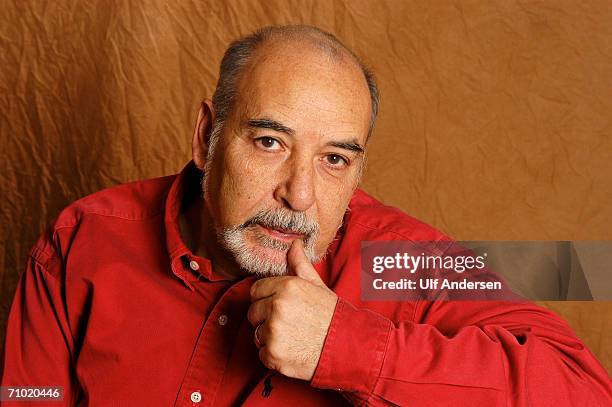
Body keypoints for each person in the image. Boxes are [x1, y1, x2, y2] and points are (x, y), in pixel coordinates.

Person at [1, 25, 610, 406]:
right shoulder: (85, 239)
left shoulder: (398, 263)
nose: (299, 195)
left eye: (335, 159)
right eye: (270, 143)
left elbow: (582, 390)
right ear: (207, 137)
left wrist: (348, 348)